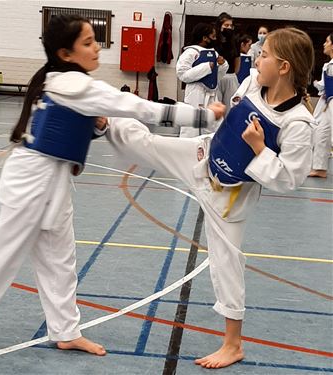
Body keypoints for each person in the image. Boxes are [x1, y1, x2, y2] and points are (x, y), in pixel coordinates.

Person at [0, 14, 224, 360]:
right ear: (66, 53)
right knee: (0, 257)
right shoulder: (76, 85)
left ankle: (65, 331)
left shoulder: (63, 80)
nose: (96, 47)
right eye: (87, 43)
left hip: (51, 180)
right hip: (31, 181)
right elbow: (142, 108)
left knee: (59, 259)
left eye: (95, 39)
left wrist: (96, 125)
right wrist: (206, 116)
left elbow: (77, 125)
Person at [107, 27, 315, 369]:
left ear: (284, 67)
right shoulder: (251, 85)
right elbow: (231, 120)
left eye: (264, 55)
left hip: (230, 197)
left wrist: (259, 148)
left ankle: (233, 344)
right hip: (203, 157)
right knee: (149, 145)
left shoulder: (297, 122)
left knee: (227, 263)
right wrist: (217, 115)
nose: (256, 59)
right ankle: (104, 119)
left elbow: (289, 178)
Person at [176, 22, 228, 137]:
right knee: (192, 125)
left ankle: (210, 151)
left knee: (214, 125)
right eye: (213, 36)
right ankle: (188, 151)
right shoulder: (190, 52)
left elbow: (217, 76)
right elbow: (182, 74)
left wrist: (223, 65)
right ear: (204, 38)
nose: (215, 39)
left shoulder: (214, 53)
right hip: (195, 92)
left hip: (212, 93)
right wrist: (206, 67)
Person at [309, 32, 333, 178]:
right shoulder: (328, 65)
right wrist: (317, 85)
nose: (324, 44)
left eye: (327, 41)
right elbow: (325, 85)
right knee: (320, 131)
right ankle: (319, 167)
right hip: (326, 101)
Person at [214, 12, 241, 116]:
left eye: (230, 25)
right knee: (217, 106)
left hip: (230, 76)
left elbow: (237, 61)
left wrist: (233, 75)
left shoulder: (235, 41)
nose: (229, 28)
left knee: (231, 108)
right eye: (226, 25)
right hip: (217, 76)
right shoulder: (215, 40)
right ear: (219, 26)